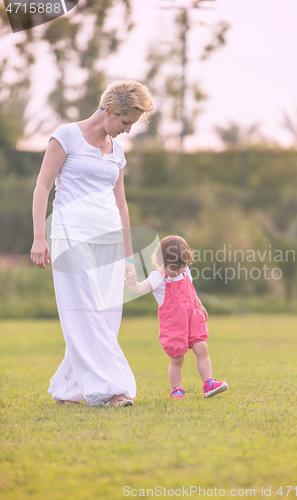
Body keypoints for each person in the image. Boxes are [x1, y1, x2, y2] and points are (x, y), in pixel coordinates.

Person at [30, 80, 153, 407]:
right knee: (86, 312)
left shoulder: (118, 151)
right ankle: (115, 390)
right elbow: (42, 187)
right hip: (71, 235)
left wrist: (129, 257)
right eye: (126, 122)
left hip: (109, 237)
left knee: (107, 314)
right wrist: (39, 237)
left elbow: (122, 204)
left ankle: (69, 390)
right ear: (110, 110)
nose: (127, 131)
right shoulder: (66, 136)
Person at [128, 235, 228, 399]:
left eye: (182, 267)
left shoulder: (185, 270)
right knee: (177, 358)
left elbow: (191, 290)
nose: (179, 271)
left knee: (202, 347)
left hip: (193, 318)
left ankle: (209, 383)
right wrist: (132, 283)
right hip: (173, 324)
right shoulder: (158, 278)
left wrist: (200, 305)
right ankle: (177, 389)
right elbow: (140, 288)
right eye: (174, 268)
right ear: (161, 262)